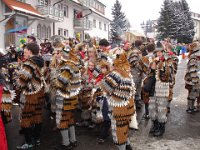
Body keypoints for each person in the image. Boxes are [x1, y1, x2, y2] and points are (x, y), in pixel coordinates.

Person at [100, 52, 135, 150]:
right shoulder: (126, 69)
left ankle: (124, 148)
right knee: (124, 129)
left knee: (119, 133)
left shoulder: (117, 73)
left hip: (119, 108)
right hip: (128, 105)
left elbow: (106, 87)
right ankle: (128, 147)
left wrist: (107, 74)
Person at [16, 43, 45, 149]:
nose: (24, 53)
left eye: (25, 51)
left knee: (26, 118)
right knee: (37, 117)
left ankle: (29, 142)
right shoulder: (41, 61)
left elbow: (23, 81)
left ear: (30, 51)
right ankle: (36, 139)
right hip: (39, 93)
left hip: (30, 95)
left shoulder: (29, 63)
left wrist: (16, 78)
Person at [54, 45, 82, 150]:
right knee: (70, 119)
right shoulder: (73, 64)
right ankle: (73, 140)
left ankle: (66, 143)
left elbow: (60, 82)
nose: (58, 55)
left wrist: (53, 78)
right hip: (72, 98)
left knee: (63, 120)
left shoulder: (67, 66)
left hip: (65, 98)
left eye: (59, 52)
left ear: (64, 54)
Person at [148, 42, 174, 137]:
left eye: (160, 52)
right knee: (151, 108)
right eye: (157, 52)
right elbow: (149, 74)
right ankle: (155, 125)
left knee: (161, 108)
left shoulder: (168, 61)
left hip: (162, 88)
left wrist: (161, 68)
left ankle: (161, 127)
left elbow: (170, 75)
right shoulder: (153, 60)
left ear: (163, 51)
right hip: (153, 88)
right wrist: (152, 68)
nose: (158, 53)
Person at [185, 41, 200, 113]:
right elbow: (192, 70)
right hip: (192, 80)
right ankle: (189, 108)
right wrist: (194, 81)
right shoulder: (193, 58)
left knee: (194, 94)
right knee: (191, 94)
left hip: (195, 79)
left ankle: (192, 107)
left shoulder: (195, 57)